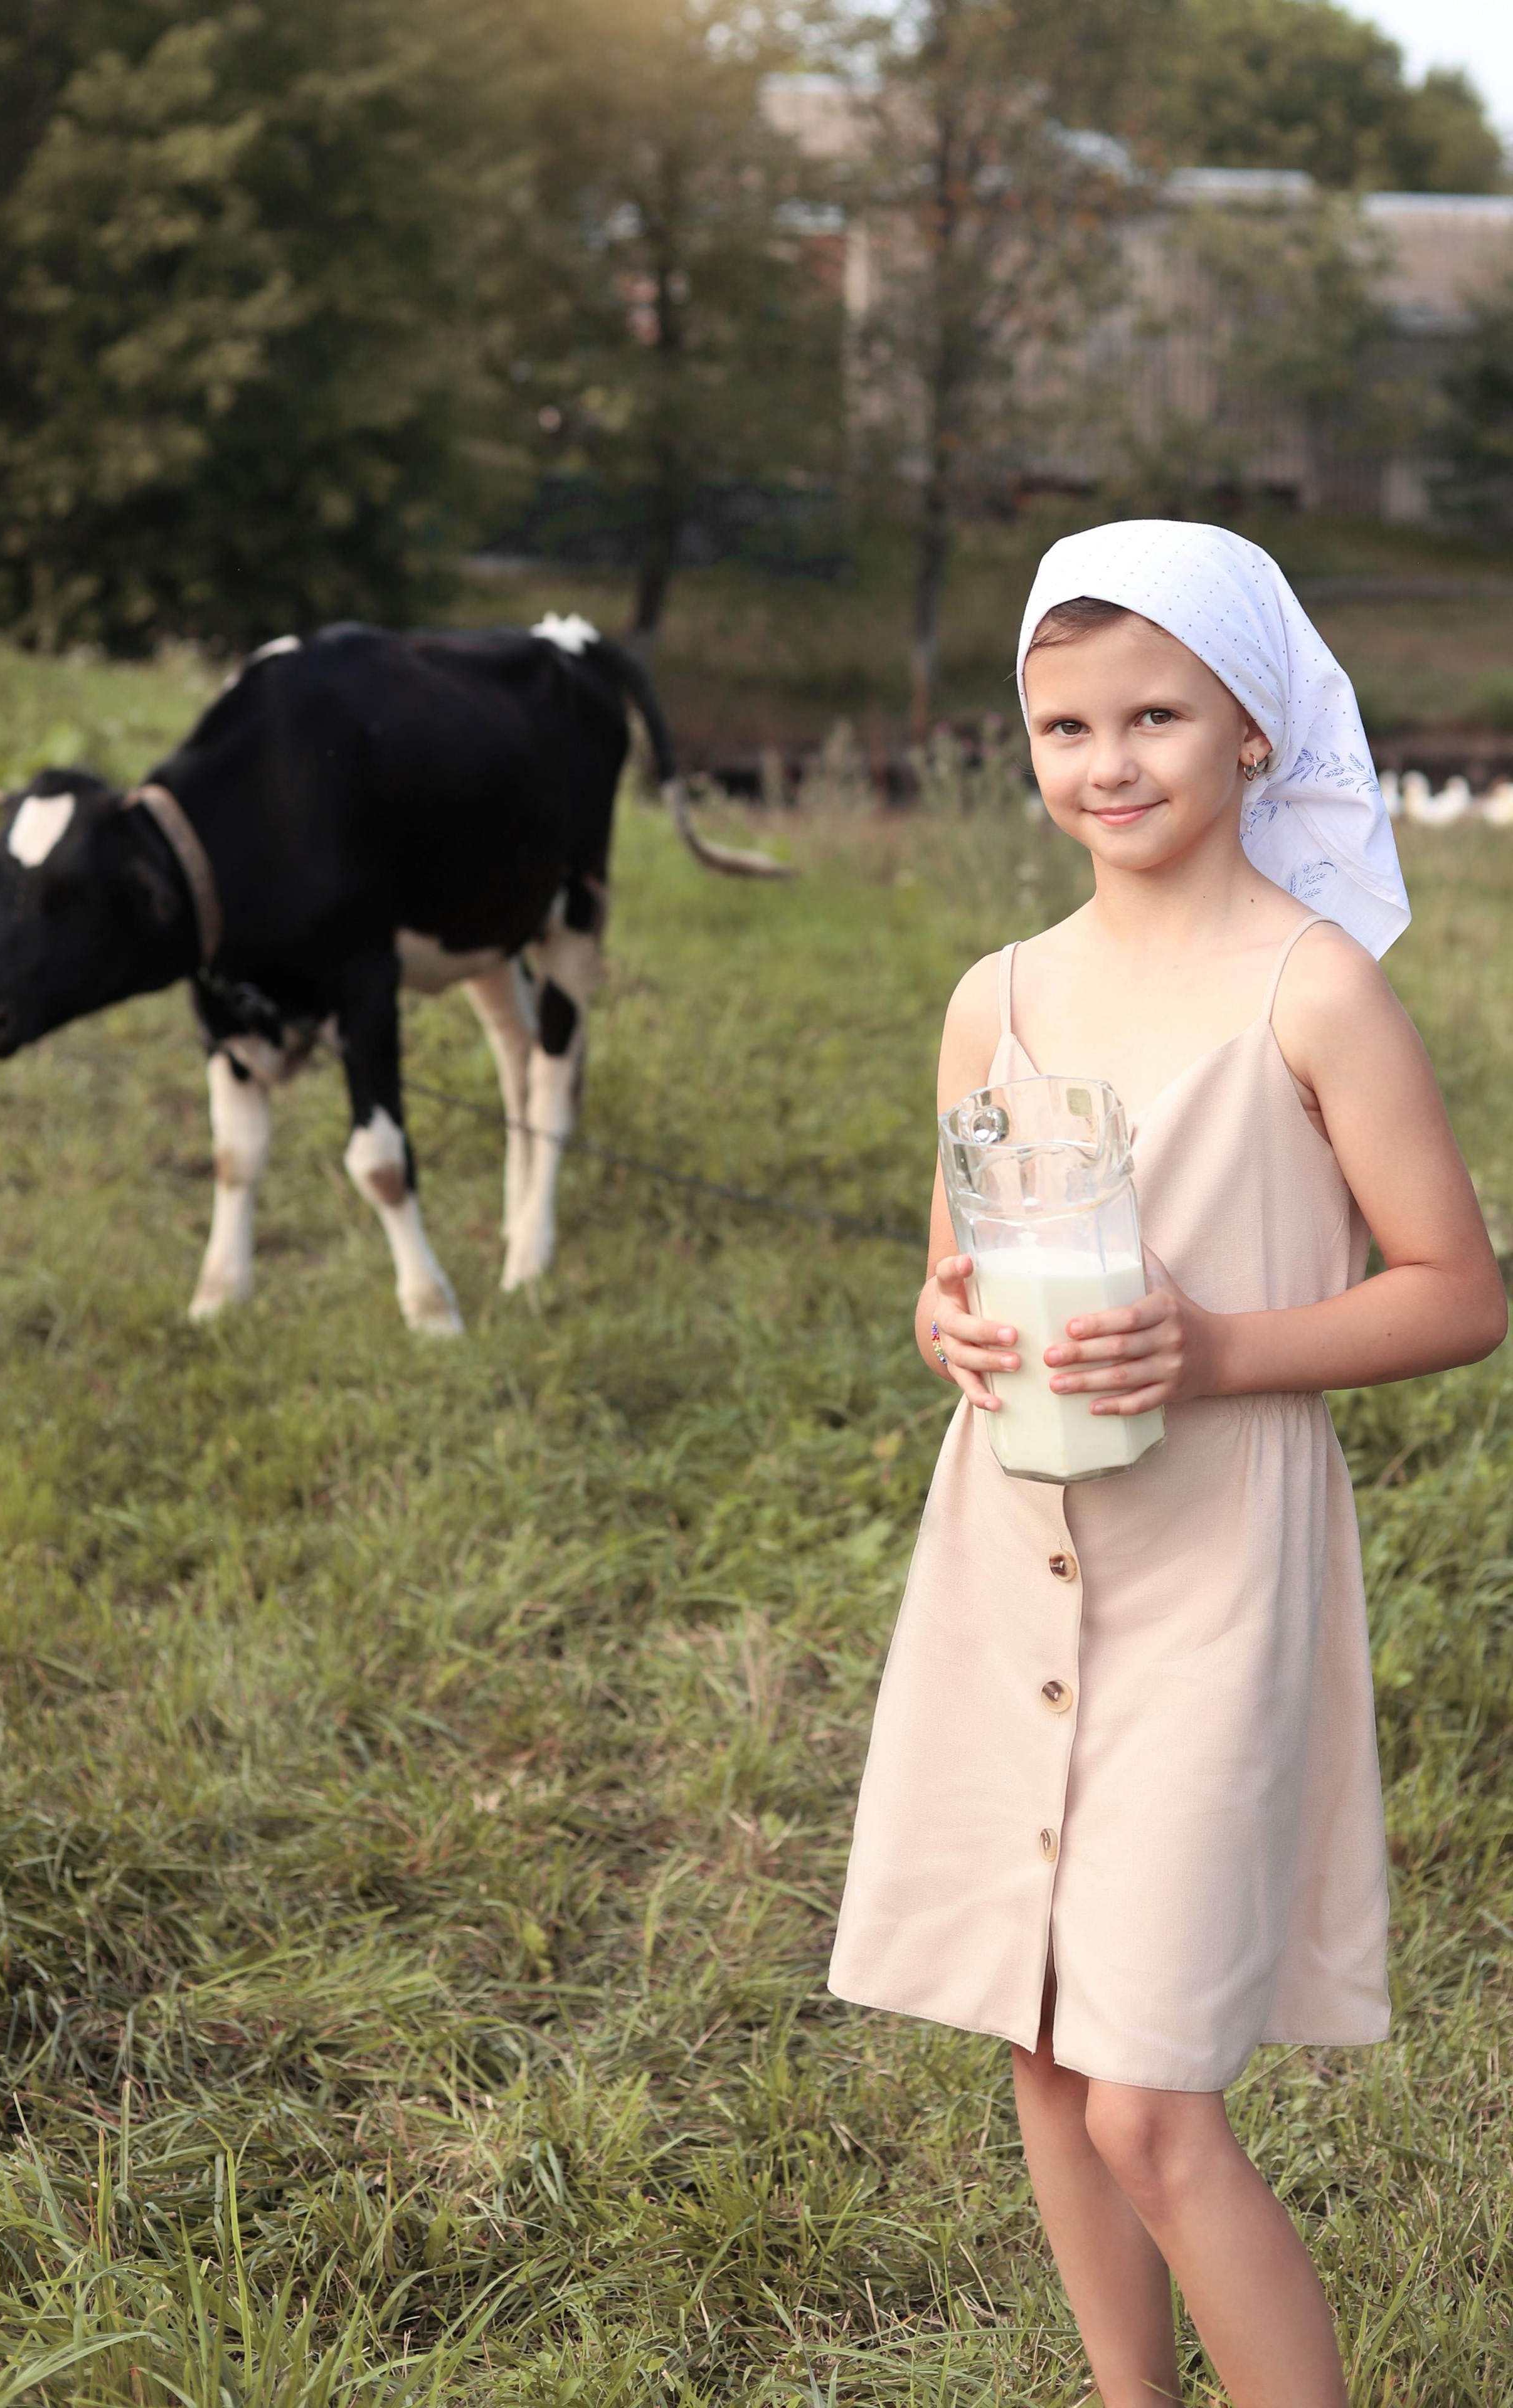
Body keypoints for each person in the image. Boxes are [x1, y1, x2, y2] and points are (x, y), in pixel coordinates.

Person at [827, 520, 1507, 2405]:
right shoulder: (1001, 995)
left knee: (1148, 2098)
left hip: (1214, 1571)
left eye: (1154, 717)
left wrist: (1216, 1350)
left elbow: (1457, 1292)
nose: (1106, 764)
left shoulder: (1315, 993)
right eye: (1063, 726)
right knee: (1043, 2046)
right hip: (1014, 1549)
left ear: (1254, 735)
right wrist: (946, 1328)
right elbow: (950, 1275)